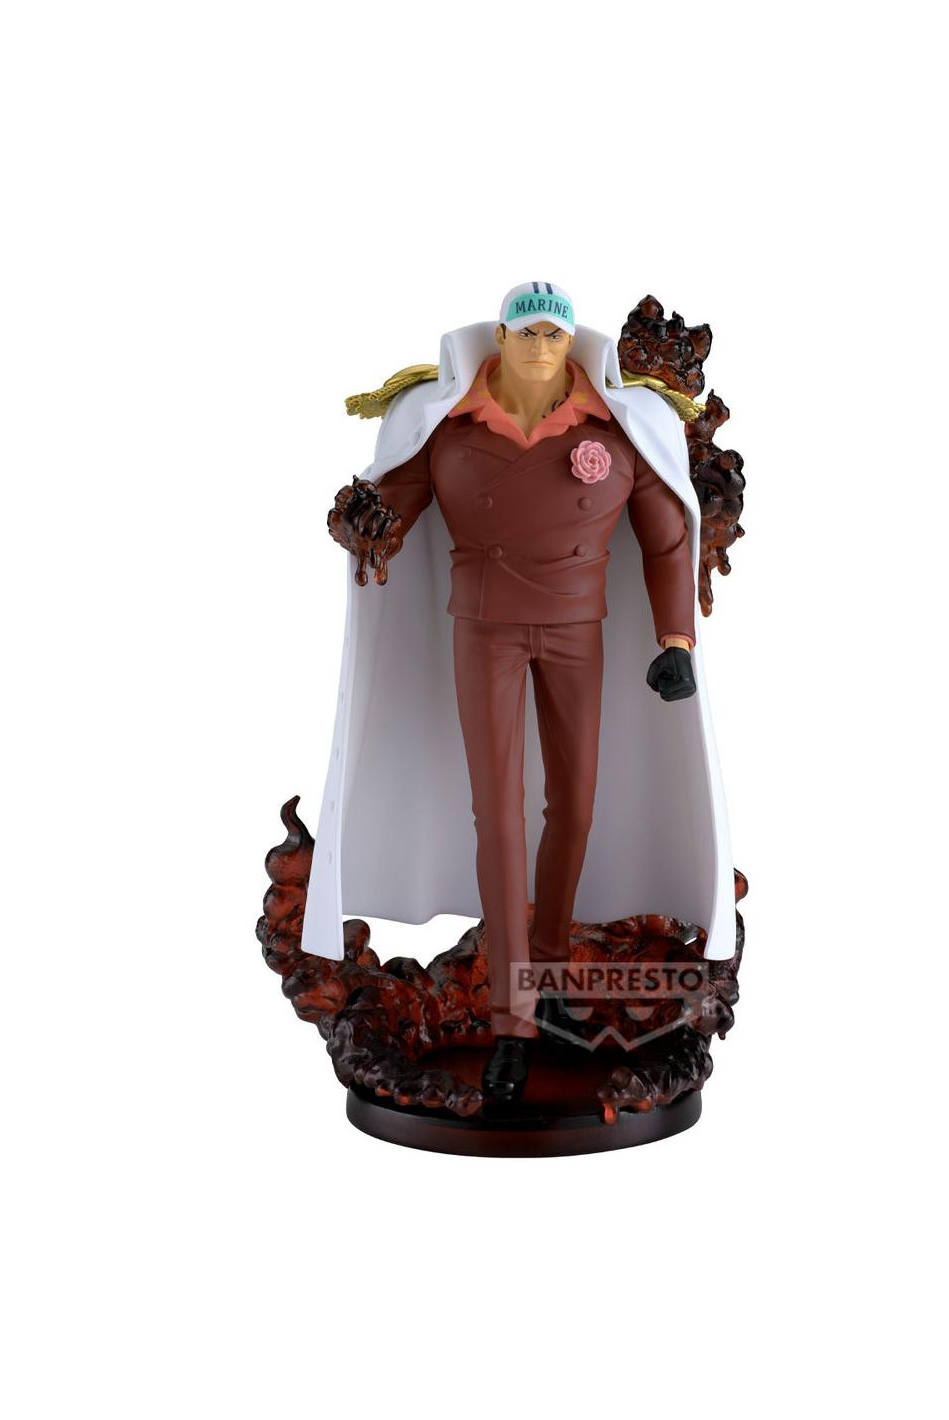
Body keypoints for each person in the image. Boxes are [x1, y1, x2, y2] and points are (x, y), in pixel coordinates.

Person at [303, 283, 737, 1103]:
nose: (541, 347)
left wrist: (675, 640)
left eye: (554, 335)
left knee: (575, 808)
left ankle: (549, 972)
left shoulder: (617, 428)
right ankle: (513, 1019)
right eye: (527, 333)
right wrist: (361, 520)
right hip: (485, 631)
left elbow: (666, 536)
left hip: (578, 631)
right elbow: (393, 508)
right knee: (497, 818)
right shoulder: (449, 427)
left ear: (572, 345)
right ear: (500, 338)